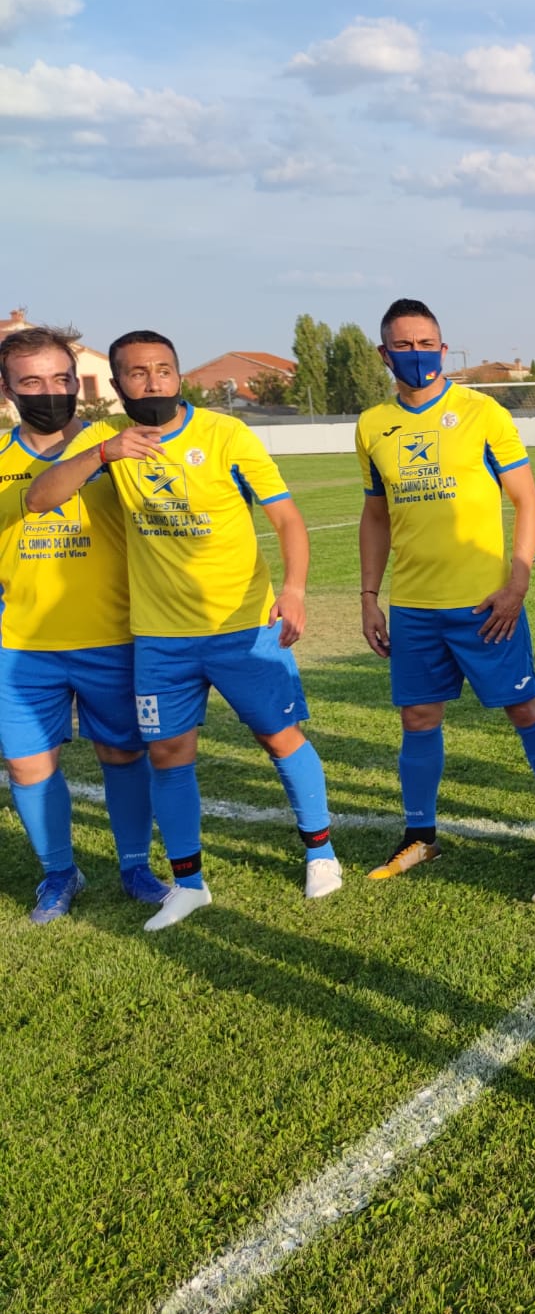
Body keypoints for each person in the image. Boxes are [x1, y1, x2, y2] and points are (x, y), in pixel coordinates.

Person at [27, 330, 338, 929]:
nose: (152, 382)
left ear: (178, 377)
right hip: (160, 637)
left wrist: (294, 590)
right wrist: (102, 455)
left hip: (243, 626)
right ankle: (190, 884)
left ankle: (321, 852)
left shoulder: (226, 433)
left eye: (163, 370)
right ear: (117, 386)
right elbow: (40, 499)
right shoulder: (103, 441)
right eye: (138, 374)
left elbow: (288, 519)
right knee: (169, 754)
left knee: (279, 737)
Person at [356, 298, 535, 886]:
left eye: (426, 342)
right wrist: (369, 595)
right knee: (418, 717)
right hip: (413, 607)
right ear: (384, 354)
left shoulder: (482, 413)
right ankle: (420, 837)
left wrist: (518, 582)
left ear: (442, 345)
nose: (417, 354)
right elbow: (375, 516)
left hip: (485, 604)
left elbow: (527, 500)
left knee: (525, 707)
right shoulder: (372, 425)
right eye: (403, 345)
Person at [0, 327, 165, 922]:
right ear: (7, 389)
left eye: (62, 379)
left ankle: (134, 866)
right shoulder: (2, 459)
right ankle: (58, 873)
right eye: (33, 382)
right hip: (21, 645)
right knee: (26, 763)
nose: (51, 391)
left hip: (112, 636)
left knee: (121, 754)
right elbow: (31, 507)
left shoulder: (126, 446)